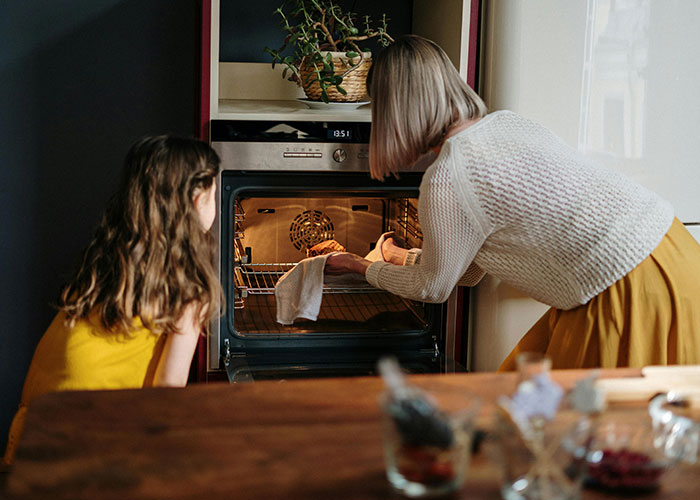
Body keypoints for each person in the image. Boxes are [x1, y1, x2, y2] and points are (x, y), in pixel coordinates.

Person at [325, 34, 700, 371]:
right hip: (675, 254)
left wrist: (360, 266)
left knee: (588, 433)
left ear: (394, 111)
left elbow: (433, 289)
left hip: (625, 291)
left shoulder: (448, 176)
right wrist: (398, 257)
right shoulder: (510, 124)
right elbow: (469, 271)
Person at [2, 135, 222, 466]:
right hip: (97, 436)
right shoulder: (188, 286)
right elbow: (168, 387)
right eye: (215, 193)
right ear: (196, 198)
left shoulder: (107, 254)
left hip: (37, 425)